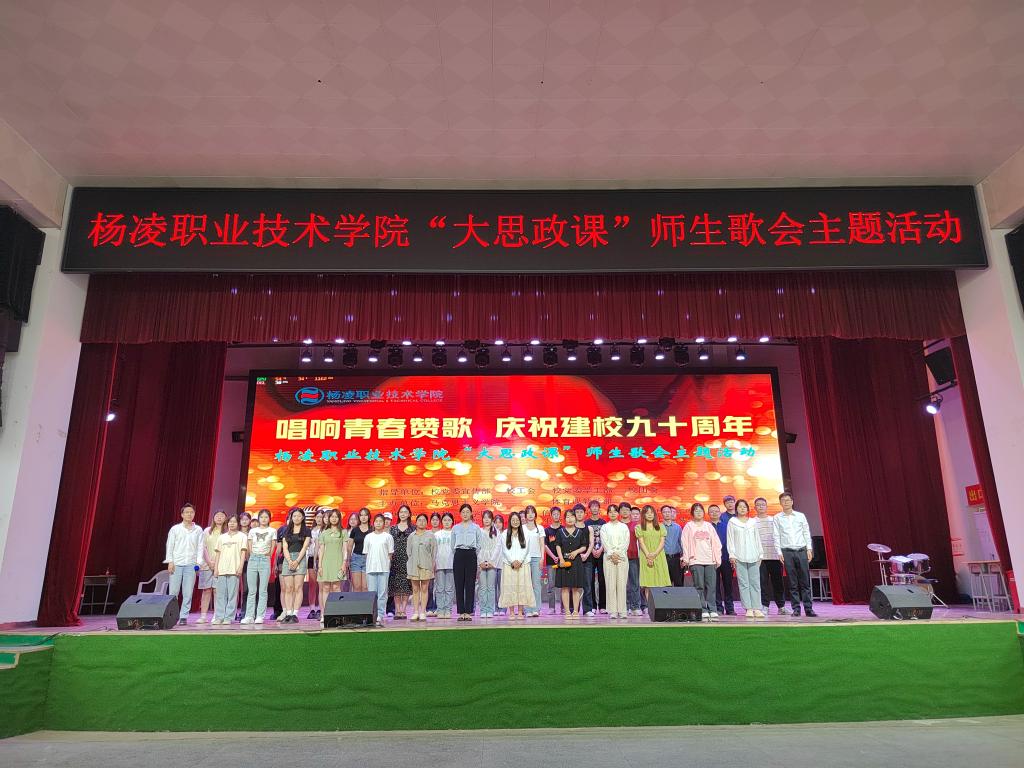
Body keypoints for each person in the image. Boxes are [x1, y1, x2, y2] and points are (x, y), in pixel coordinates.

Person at [773, 492, 817, 617]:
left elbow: (806, 532)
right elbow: (776, 535)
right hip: (787, 551)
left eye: (788, 500)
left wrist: (809, 549)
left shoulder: (800, 516)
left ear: (792, 501)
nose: (786, 502)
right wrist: (779, 552)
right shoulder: (777, 518)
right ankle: (796, 609)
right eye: (783, 500)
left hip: (801, 550)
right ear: (780, 503)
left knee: (805, 581)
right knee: (792, 582)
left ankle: (809, 608)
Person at [164, 502, 204, 625]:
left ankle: (183, 616)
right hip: (177, 563)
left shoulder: (198, 530)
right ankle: (172, 615)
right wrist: (170, 561)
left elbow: (200, 547)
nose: (189, 514)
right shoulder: (175, 529)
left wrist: (198, 563)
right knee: (173, 592)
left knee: (188, 592)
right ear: (182, 514)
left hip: (191, 564)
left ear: (194, 514)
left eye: (191, 512)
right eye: (186, 512)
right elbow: (170, 545)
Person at [682, 503, 722, 619]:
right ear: (692, 513)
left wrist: (717, 558)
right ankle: (702, 609)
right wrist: (686, 559)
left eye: (700, 510)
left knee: (711, 586)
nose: (699, 513)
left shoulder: (708, 526)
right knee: (699, 586)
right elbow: (684, 543)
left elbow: (716, 543)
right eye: (696, 510)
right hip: (696, 560)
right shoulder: (689, 526)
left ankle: (712, 609)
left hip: (710, 560)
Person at [727, 499, 764, 618]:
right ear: (736, 509)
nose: (742, 509)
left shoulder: (753, 522)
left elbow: (757, 538)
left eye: (744, 507)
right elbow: (730, 539)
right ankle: (748, 608)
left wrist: (760, 554)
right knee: (743, 583)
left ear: (748, 509)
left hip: (754, 555)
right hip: (739, 556)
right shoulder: (732, 522)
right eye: (740, 507)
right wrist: (732, 555)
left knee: (755, 583)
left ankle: (757, 608)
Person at [242, 509, 276, 624]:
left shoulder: (272, 531)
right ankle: (249, 616)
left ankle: (260, 616)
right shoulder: (253, 531)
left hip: (264, 560)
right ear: (258, 518)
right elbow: (249, 545)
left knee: (263, 590)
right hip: (253, 559)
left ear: (269, 519)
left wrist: (268, 556)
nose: (264, 519)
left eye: (266, 517)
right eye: (261, 517)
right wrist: (252, 556)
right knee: (251, 590)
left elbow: (273, 546)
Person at [212, 515, 247, 625]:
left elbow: (243, 553)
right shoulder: (222, 537)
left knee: (232, 595)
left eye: (234, 522)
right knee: (220, 595)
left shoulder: (242, 536)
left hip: (234, 569)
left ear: (238, 523)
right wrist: (216, 569)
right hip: (222, 569)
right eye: (230, 522)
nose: (232, 524)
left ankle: (228, 617)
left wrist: (240, 567)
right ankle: (219, 617)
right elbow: (218, 554)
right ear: (227, 524)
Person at [451, 503, 484, 621]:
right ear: (460, 514)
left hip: (471, 554)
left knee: (470, 584)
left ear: (471, 513)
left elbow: (479, 543)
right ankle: (461, 612)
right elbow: (452, 545)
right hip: (459, 554)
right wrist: (459, 552)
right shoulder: (455, 528)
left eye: (467, 512)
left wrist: (473, 553)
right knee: (459, 583)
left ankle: (468, 612)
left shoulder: (476, 528)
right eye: (463, 512)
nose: (465, 514)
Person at [499, 511, 535, 618]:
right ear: (509, 521)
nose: (515, 522)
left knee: (521, 588)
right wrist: (512, 561)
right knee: (510, 587)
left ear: (520, 521)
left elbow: (526, 549)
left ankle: (520, 612)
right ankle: (511, 612)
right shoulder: (504, 534)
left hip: (523, 564)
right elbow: (505, 550)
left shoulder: (525, 533)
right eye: (513, 520)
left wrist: (519, 561)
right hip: (509, 565)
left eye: (517, 520)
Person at [279, 507, 311, 624]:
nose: (296, 518)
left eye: (299, 516)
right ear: (291, 518)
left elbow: (305, 547)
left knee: (298, 587)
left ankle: (295, 614)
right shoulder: (286, 530)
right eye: (294, 516)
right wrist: (289, 560)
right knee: (288, 588)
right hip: (288, 559)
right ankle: (288, 613)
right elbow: (285, 547)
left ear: (303, 517)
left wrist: (297, 561)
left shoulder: (306, 530)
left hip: (300, 558)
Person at [754, 497, 786, 615]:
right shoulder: (752, 522)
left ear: (766, 506)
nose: (761, 506)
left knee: (778, 582)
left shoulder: (774, 520)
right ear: (755, 508)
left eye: (763, 504)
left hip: (775, 556)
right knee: (763, 583)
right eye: (758, 505)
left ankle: (781, 607)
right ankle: (764, 606)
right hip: (760, 558)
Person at [316, 509, 348, 627]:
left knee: (336, 587)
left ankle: (337, 613)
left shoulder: (343, 532)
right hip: (326, 562)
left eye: (336, 517)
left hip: (338, 561)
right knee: (325, 587)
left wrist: (344, 563)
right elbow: (321, 550)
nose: (334, 519)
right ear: (328, 518)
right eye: (332, 516)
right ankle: (325, 614)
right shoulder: (324, 533)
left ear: (339, 518)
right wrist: (320, 565)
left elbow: (345, 549)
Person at [555, 509, 588, 618]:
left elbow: (584, 546)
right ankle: (567, 611)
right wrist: (561, 559)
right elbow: (558, 546)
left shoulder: (580, 532)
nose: (570, 519)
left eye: (572, 516)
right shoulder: (560, 532)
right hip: (564, 562)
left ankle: (576, 611)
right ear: (564, 519)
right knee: (565, 587)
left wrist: (576, 552)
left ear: (575, 518)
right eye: (568, 517)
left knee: (576, 588)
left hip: (576, 562)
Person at [363, 513, 395, 626]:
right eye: (376, 521)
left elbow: (390, 554)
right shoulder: (368, 537)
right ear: (373, 523)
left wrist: (387, 566)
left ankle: (380, 614)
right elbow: (366, 554)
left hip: (384, 568)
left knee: (382, 593)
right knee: (372, 593)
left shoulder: (388, 537)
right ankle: (373, 613)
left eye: (380, 521)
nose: (378, 523)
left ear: (384, 523)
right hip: (371, 568)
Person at [637, 504, 671, 606]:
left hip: (659, 556)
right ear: (643, 515)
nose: (650, 515)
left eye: (651, 513)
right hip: (645, 556)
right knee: (648, 584)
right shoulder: (639, 527)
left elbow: (662, 542)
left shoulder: (660, 526)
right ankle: (651, 607)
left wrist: (655, 554)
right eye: (647, 513)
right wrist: (648, 555)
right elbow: (641, 542)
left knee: (661, 582)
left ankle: (661, 606)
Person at [600, 504, 629, 619]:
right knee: (610, 584)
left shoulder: (624, 527)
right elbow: (605, 542)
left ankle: (622, 611)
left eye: (615, 511)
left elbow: (626, 542)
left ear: (618, 513)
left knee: (621, 584)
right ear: (607, 514)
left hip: (622, 558)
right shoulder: (604, 527)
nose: (613, 513)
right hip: (609, 559)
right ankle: (613, 611)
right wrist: (612, 554)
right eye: (610, 512)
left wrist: (618, 554)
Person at [196, 509, 226, 623]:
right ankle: (203, 616)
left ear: (225, 518)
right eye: (217, 515)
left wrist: (217, 563)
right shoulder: (207, 530)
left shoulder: (226, 532)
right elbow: (202, 547)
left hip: (221, 565)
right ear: (213, 518)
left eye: (222, 516)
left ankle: (216, 616)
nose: (219, 517)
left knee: (217, 590)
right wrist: (209, 562)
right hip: (206, 565)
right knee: (206, 590)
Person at [407, 513, 436, 621]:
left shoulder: (431, 536)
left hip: (426, 565)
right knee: (415, 589)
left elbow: (433, 552)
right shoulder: (411, 536)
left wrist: (431, 565)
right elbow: (408, 552)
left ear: (426, 522)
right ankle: (415, 612)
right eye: (419, 520)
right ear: (416, 522)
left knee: (424, 588)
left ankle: (423, 612)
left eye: (424, 520)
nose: (421, 522)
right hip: (413, 565)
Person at [708, 504, 736, 615]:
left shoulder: (727, 526)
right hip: (712, 560)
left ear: (720, 513)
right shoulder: (706, 527)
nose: (714, 513)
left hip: (726, 558)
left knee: (728, 584)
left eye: (716, 511)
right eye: (712, 511)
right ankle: (718, 607)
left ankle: (730, 608)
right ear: (708, 514)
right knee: (714, 585)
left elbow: (732, 542)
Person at [388, 504, 414, 619]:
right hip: (395, 560)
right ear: (398, 514)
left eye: (405, 512)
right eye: (401, 512)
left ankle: (403, 610)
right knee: (396, 586)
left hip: (408, 559)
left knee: (406, 586)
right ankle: (397, 610)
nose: (403, 514)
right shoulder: (392, 528)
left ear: (409, 514)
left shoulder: (413, 529)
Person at [582, 500, 606, 616]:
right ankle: (591, 606)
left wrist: (600, 549)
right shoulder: (586, 523)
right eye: (593, 506)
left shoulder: (604, 523)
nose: (595, 508)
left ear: (599, 508)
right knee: (589, 580)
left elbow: (606, 539)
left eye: (597, 506)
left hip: (602, 553)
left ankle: (602, 606)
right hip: (589, 555)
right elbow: (586, 540)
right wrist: (591, 550)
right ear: (589, 509)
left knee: (602, 580)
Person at [477, 510, 501, 619]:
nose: (486, 520)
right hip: (481, 562)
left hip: (493, 563)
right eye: (484, 517)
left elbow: (498, 548)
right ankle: (483, 610)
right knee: (482, 587)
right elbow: (477, 547)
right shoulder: (479, 531)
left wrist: (491, 561)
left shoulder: (496, 532)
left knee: (491, 587)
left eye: (488, 517)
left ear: (492, 519)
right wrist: (481, 562)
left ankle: (490, 610)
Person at [522, 506, 545, 616]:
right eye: (528, 513)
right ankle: (527, 610)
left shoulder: (540, 528)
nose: (530, 514)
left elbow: (542, 544)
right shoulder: (522, 528)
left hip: (537, 558)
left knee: (536, 584)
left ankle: (536, 609)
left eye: (532, 512)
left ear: (535, 514)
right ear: (525, 515)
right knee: (526, 585)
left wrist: (542, 558)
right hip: (525, 559)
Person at [433, 512, 456, 618]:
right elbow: (433, 550)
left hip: (451, 564)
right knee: (440, 588)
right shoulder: (437, 534)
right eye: (445, 520)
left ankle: (448, 610)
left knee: (449, 589)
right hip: (439, 564)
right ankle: (440, 610)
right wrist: (433, 562)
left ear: (452, 522)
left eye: (449, 520)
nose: (447, 522)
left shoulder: (454, 534)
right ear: (441, 522)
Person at [543, 507, 563, 612]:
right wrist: (553, 557)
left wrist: (560, 557)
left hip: (563, 561)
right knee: (551, 584)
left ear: (560, 515)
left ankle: (564, 607)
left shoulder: (563, 529)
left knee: (563, 585)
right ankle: (551, 607)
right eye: (554, 514)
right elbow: (545, 545)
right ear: (551, 515)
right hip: (551, 561)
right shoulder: (547, 530)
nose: (556, 516)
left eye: (557, 514)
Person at [625, 505, 644, 615]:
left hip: (635, 557)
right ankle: (625, 606)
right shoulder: (621, 525)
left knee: (635, 583)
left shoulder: (639, 526)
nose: (635, 516)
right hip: (622, 557)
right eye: (633, 513)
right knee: (624, 584)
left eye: (637, 514)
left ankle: (635, 606)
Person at [347, 508, 371, 593]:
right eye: (361, 515)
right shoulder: (355, 530)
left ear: (369, 516)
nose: (363, 517)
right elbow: (350, 546)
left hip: (368, 559)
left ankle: (366, 602)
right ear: (359, 517)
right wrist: (348, 560)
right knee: (357, 587)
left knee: (365, 587)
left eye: (365, 515)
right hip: (356, 559)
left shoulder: (372, 529)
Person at [660, 505, 684, 587]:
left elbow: (681, 542)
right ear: (661, 514)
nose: (667, 514)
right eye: (664, 512)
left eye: (668, 512)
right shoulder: (658, 527)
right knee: (665, 583)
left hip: (676, 559)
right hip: (663, 558)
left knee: (678, 583)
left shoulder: (678, 527)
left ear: (671, 513)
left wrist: (683, 557)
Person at [306, 510, 324, 620]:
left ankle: (321, 608)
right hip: (312, 557)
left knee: (322, 584)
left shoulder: (326, 530)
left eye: (321, 517)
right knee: (312, 584)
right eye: (317, 517)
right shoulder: (310, 531)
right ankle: (312, 609)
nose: (319, 519)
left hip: (323, 559)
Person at [235, 511, 252, 621]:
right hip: (235, 562)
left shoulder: (252, 533)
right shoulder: (235, 533)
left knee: (246, 589)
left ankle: (244, 611)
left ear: (249, 521)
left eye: (246, 519)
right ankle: (232, 612)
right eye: (242, 519)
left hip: (248, 563)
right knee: (234, 589)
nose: (244, 521)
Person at [425, 512, 442, 616]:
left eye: (437, 520)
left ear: (439, 521)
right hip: (429, 562)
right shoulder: (427, 533)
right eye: (433, 520)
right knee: (430, 587)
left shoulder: (442, 533)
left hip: (441, 562)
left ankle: (439, 607)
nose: (435, 521)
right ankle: (430, 608)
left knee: (440, 587)